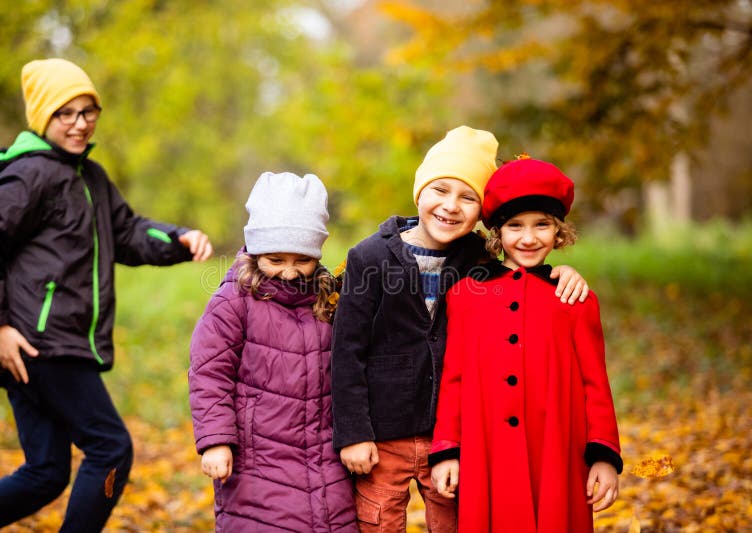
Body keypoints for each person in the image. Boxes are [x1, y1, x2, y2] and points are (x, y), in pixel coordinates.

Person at [0, 58, 213, 532]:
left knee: (45, 473)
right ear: (43, 118)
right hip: (40, 342)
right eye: (65, 113)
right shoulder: (29, 175)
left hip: (55, 342)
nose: (79, 123)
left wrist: (177, 239)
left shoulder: (89, 176)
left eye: (88, 111)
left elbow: (128, 232)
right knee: (111, 449)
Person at [331, 126, 590, 532]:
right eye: (440, 190)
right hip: (383, 436)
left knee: (454, 524)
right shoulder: (369, 257)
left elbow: (522, 279)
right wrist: (353, 433)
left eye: (467, 197)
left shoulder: (477, 258)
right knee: (379, 522)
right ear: (420, 192)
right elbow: (347, 351)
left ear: (482, 213)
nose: (451, 206)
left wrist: (559, 273)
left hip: (455, 439)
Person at [430, 157, 622, 532]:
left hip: (558, 454)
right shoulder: (466, 295)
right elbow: (454, 378)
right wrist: (447, 450)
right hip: (487, 454)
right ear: (497, 234)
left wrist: (603, 454)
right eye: (515, 226)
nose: (529, 238)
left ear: (559, 232)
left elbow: (595, 383)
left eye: (542, 225)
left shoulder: (576, 299)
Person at [189, 172, 357, 532]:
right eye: (276, 259)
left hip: (326, 459)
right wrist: (216, 440)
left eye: (303, 260)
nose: (290, 272)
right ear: (255, 249)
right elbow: (209, 372)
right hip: (257, 462)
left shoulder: (329, 300)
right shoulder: (234, 300)